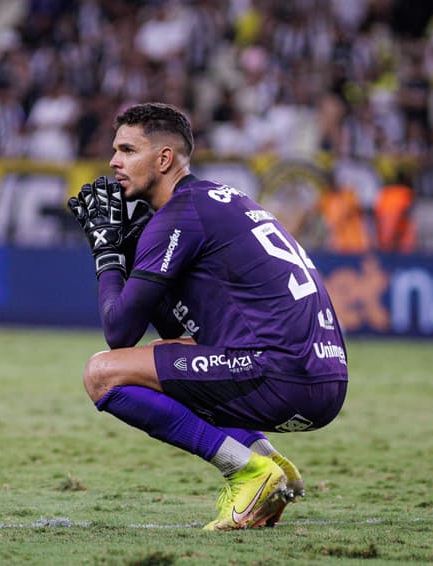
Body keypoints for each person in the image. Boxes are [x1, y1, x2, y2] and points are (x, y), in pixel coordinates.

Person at [67, 103, 348, 531]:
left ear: (164, 159)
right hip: (323, 381)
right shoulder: (216, 201)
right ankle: (271, 464)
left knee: (102, 374)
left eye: (127, 149)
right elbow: (181, 333)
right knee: (169, 355)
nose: (113, 162)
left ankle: (248, 471)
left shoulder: (179, 216)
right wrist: (130, 251)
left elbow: (119, 332)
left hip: (281, 375)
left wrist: (107, 254)